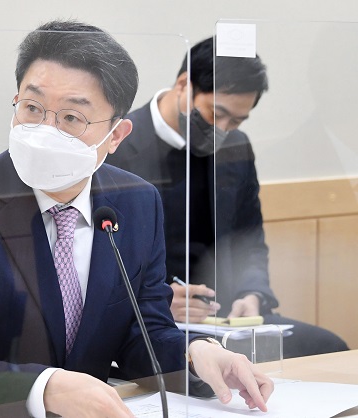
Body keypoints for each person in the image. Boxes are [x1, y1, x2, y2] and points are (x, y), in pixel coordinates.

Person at [0, 21, 273, 418]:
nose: (45, 130)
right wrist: (46, 388)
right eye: (32, 108)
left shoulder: (136, 202)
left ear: (116, 136)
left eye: (71, 117)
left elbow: (143, 335)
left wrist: (195, 353)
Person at [106, 36, 349, 358]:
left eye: (235, 121)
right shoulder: (117, 145)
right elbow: (98, 259)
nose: (222, 129)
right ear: (184, 85)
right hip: (150, 322)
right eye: (215, 113)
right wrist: (155, 299)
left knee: (328, 347)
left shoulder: (236, 146)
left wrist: (253, 293)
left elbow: (250, 237)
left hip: (225, 319)